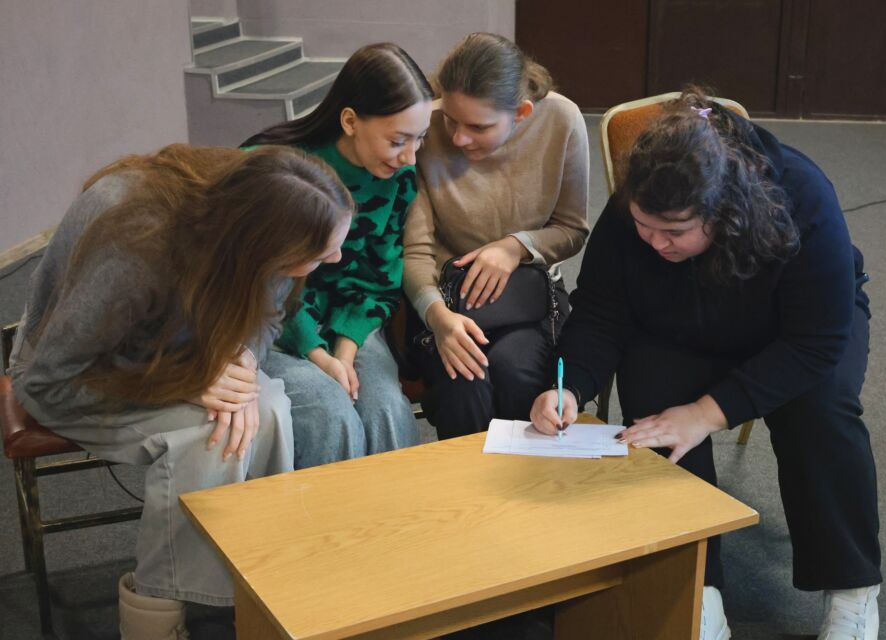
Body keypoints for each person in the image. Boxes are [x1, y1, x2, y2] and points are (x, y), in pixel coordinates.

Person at [529, 88, 881, 640]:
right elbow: (601, 311)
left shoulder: (801, 195)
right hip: (678, 328)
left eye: (674, 231)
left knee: (821, 411)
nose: (655, 242)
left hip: (794, 332)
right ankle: (696, 588)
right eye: (645, 226)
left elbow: (817, 341)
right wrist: (570, 385)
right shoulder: (635, 207)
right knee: (651, 407)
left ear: (724, 211)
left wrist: (706, 413)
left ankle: (851, 588)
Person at [8, 144, 354, 638]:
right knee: (210, 437)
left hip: (177, 349)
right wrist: (186, 380)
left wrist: (243, 357)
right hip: (74, 372)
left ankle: (256, 586)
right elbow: (52, 379)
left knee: (269, 407)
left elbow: (268, 316)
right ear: (264, 246)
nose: (336, 258)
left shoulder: (259, 217)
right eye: (321, 254)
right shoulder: (133, 245)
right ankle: (157, 614)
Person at [243, 43, 432, 467]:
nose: (410, 157)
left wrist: (345, 352)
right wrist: (317, 352)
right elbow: (261, 285)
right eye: (398, 140)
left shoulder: (400, 176)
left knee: (386, 410)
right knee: (330, 414)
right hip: (270, 324)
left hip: (352, 323)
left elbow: (380, 279)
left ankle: (398, 513)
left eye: (420, 139)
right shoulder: (274, 169)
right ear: (349, 121)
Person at [403, 32, 590, 439]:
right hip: (445, 300)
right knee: (464, 386)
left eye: (478, 126)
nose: (458, 137)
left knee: (518, 374)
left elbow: (573, 229)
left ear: (521, 113)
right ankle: (466, 483)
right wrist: (439, 319)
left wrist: (516, 247)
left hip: (528, 298)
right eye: (451, 119)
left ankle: (528, 479)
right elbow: (415, 252)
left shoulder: (561, 120)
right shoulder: (425, 127)